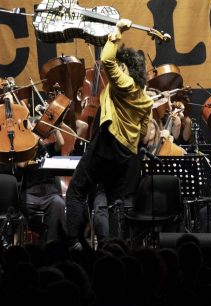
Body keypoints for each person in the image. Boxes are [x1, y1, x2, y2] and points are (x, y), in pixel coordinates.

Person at [65, 19, 152, 250]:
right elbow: (143, 132)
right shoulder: (146, 100)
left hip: (106, 145)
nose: (118, 71)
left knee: (76, 191)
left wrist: (118, 31)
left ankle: (74, 243)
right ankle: (115, 248)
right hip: (125, 155)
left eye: (121, 67)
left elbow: (107, 60)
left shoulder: (125, 84)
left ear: (126, 68)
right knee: (115, 202)